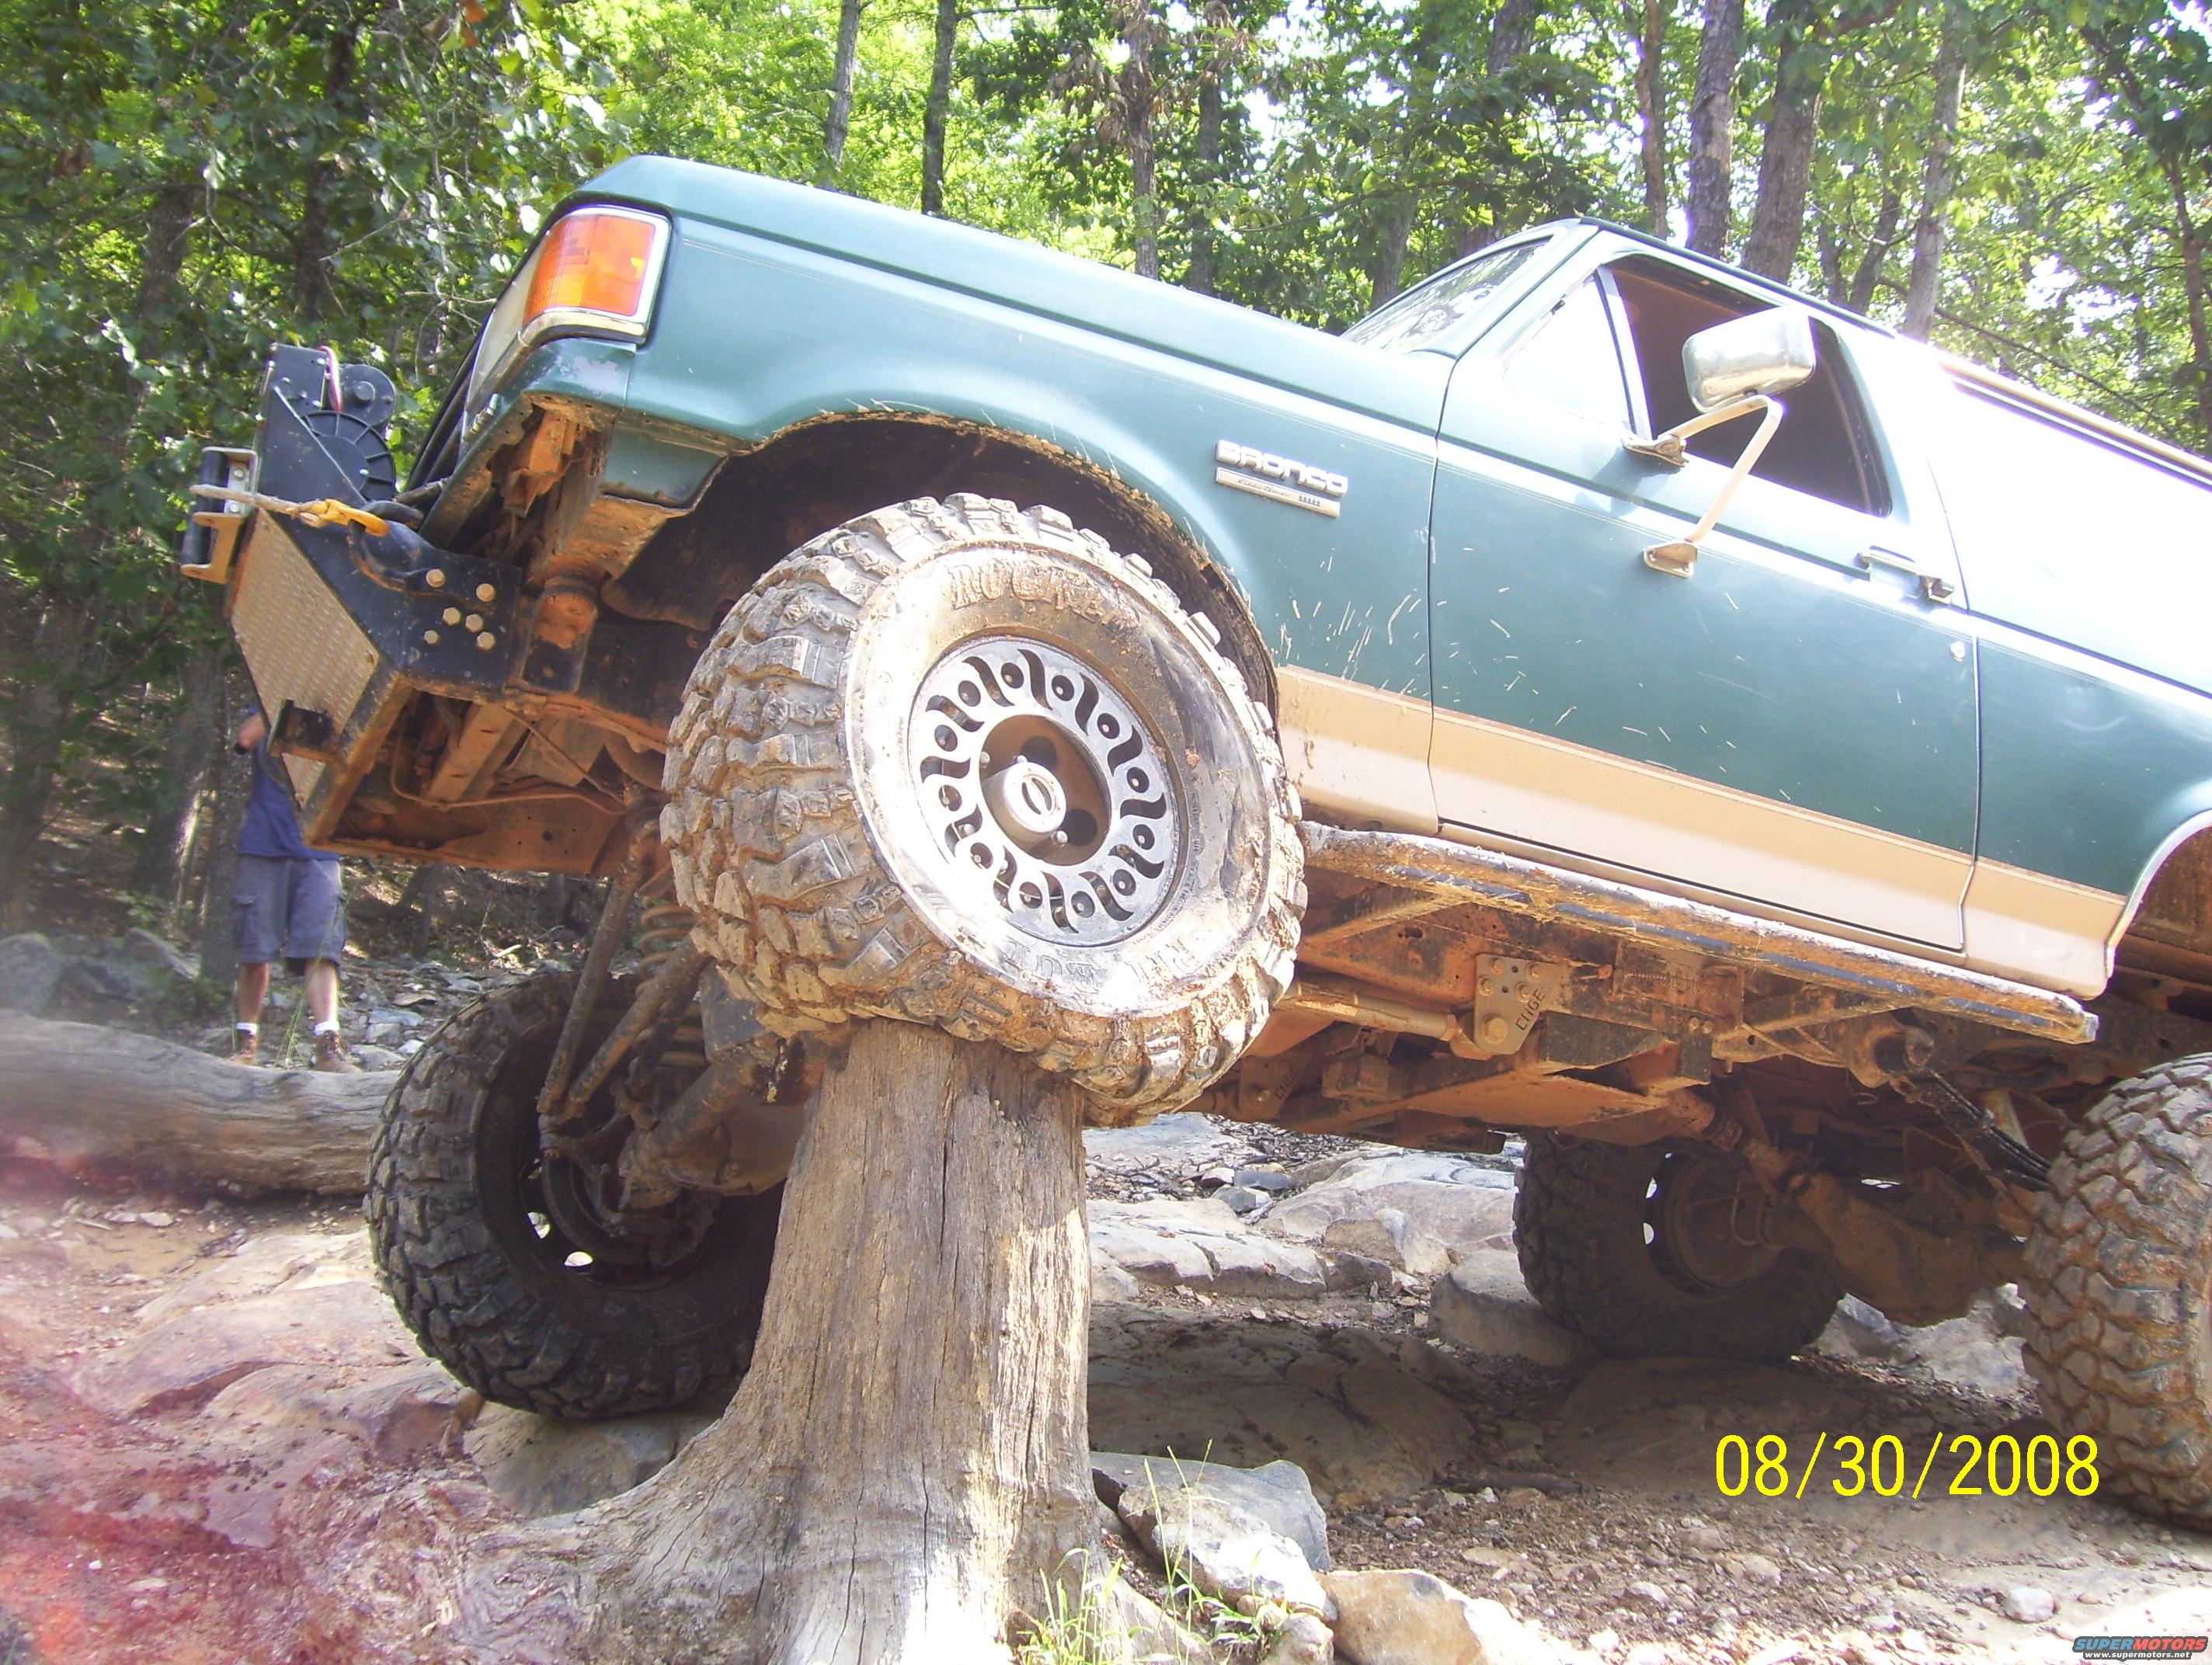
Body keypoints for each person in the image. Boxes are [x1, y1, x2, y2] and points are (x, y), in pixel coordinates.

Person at [228, 709, 358, 1072]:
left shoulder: (341, 711)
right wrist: (276, 702)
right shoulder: (267, 707)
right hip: (264, 845)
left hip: (320, 848)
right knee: (255, 950)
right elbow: (245, 739)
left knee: (321, 949)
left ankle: (328, 1046)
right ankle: (246, 1044)